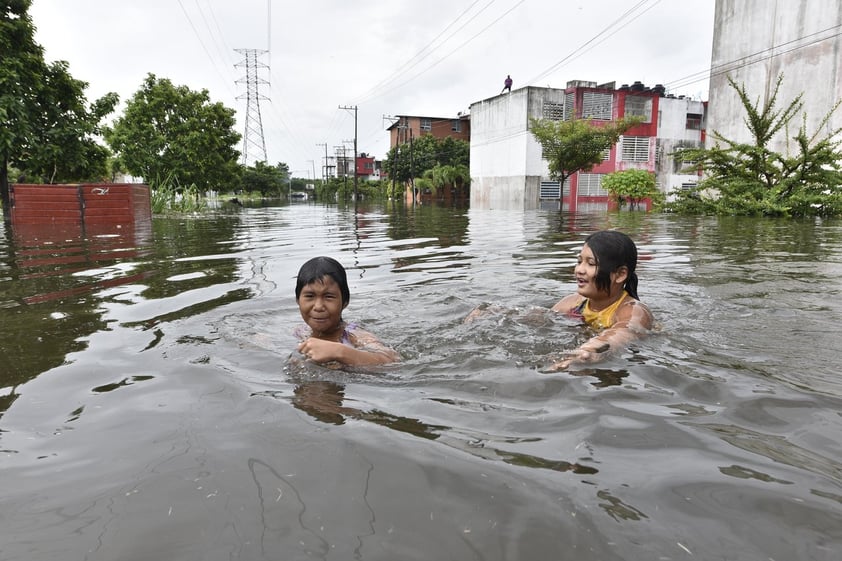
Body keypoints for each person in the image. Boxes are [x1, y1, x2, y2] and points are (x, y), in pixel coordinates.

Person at [548, 230, 654, 370]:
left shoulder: (633, 310)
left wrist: (593, 348)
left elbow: (625, 332)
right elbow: (544, 317)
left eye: (591, 264)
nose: (579, 269)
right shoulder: (574, 302)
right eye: (579, 261)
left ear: (620, 274)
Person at [295, 256, 399, 367]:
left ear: (345, 302)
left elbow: (392, 359)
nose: (318, 306)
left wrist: (339, 351)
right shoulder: (301, 332)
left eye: (329, 296)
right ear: (298, 300)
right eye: (310, 296)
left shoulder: (354, 335)